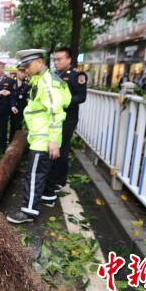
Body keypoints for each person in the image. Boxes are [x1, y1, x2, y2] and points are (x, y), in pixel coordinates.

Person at [6, 49, 71, 224]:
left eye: (27, 66)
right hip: (41, 135)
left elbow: (56, 113)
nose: (25, 70)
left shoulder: (47, 83)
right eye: (23, 67)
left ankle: (28, 211)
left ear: (40, 62)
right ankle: (48, 196)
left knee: (34, 174)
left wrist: (53, 141)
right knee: (44, 170)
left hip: (44, 138)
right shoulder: (41, 79)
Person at [46, 47, 87, 197]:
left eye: (60, 59)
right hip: (54, 118)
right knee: (53, 146)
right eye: (55, 59)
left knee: (62, 149)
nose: (57, 62)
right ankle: (52, 177)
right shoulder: (53, 75)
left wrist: (63, 102)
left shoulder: (77, 75)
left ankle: (59, 181)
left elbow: (81, 97)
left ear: (69, 60)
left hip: (68, 118)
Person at [9, 67, 30, 143]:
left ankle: (18, 143)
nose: (22, 74)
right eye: (20, 72)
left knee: (19, 127)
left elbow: (27, 95)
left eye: (24, 72)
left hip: (22, 108)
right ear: (17, 71)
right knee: (13, 126)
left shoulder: (27, 83)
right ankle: (11, 142)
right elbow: (11, 95)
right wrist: (13, 105)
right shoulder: (11, 82)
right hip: (13, 107)